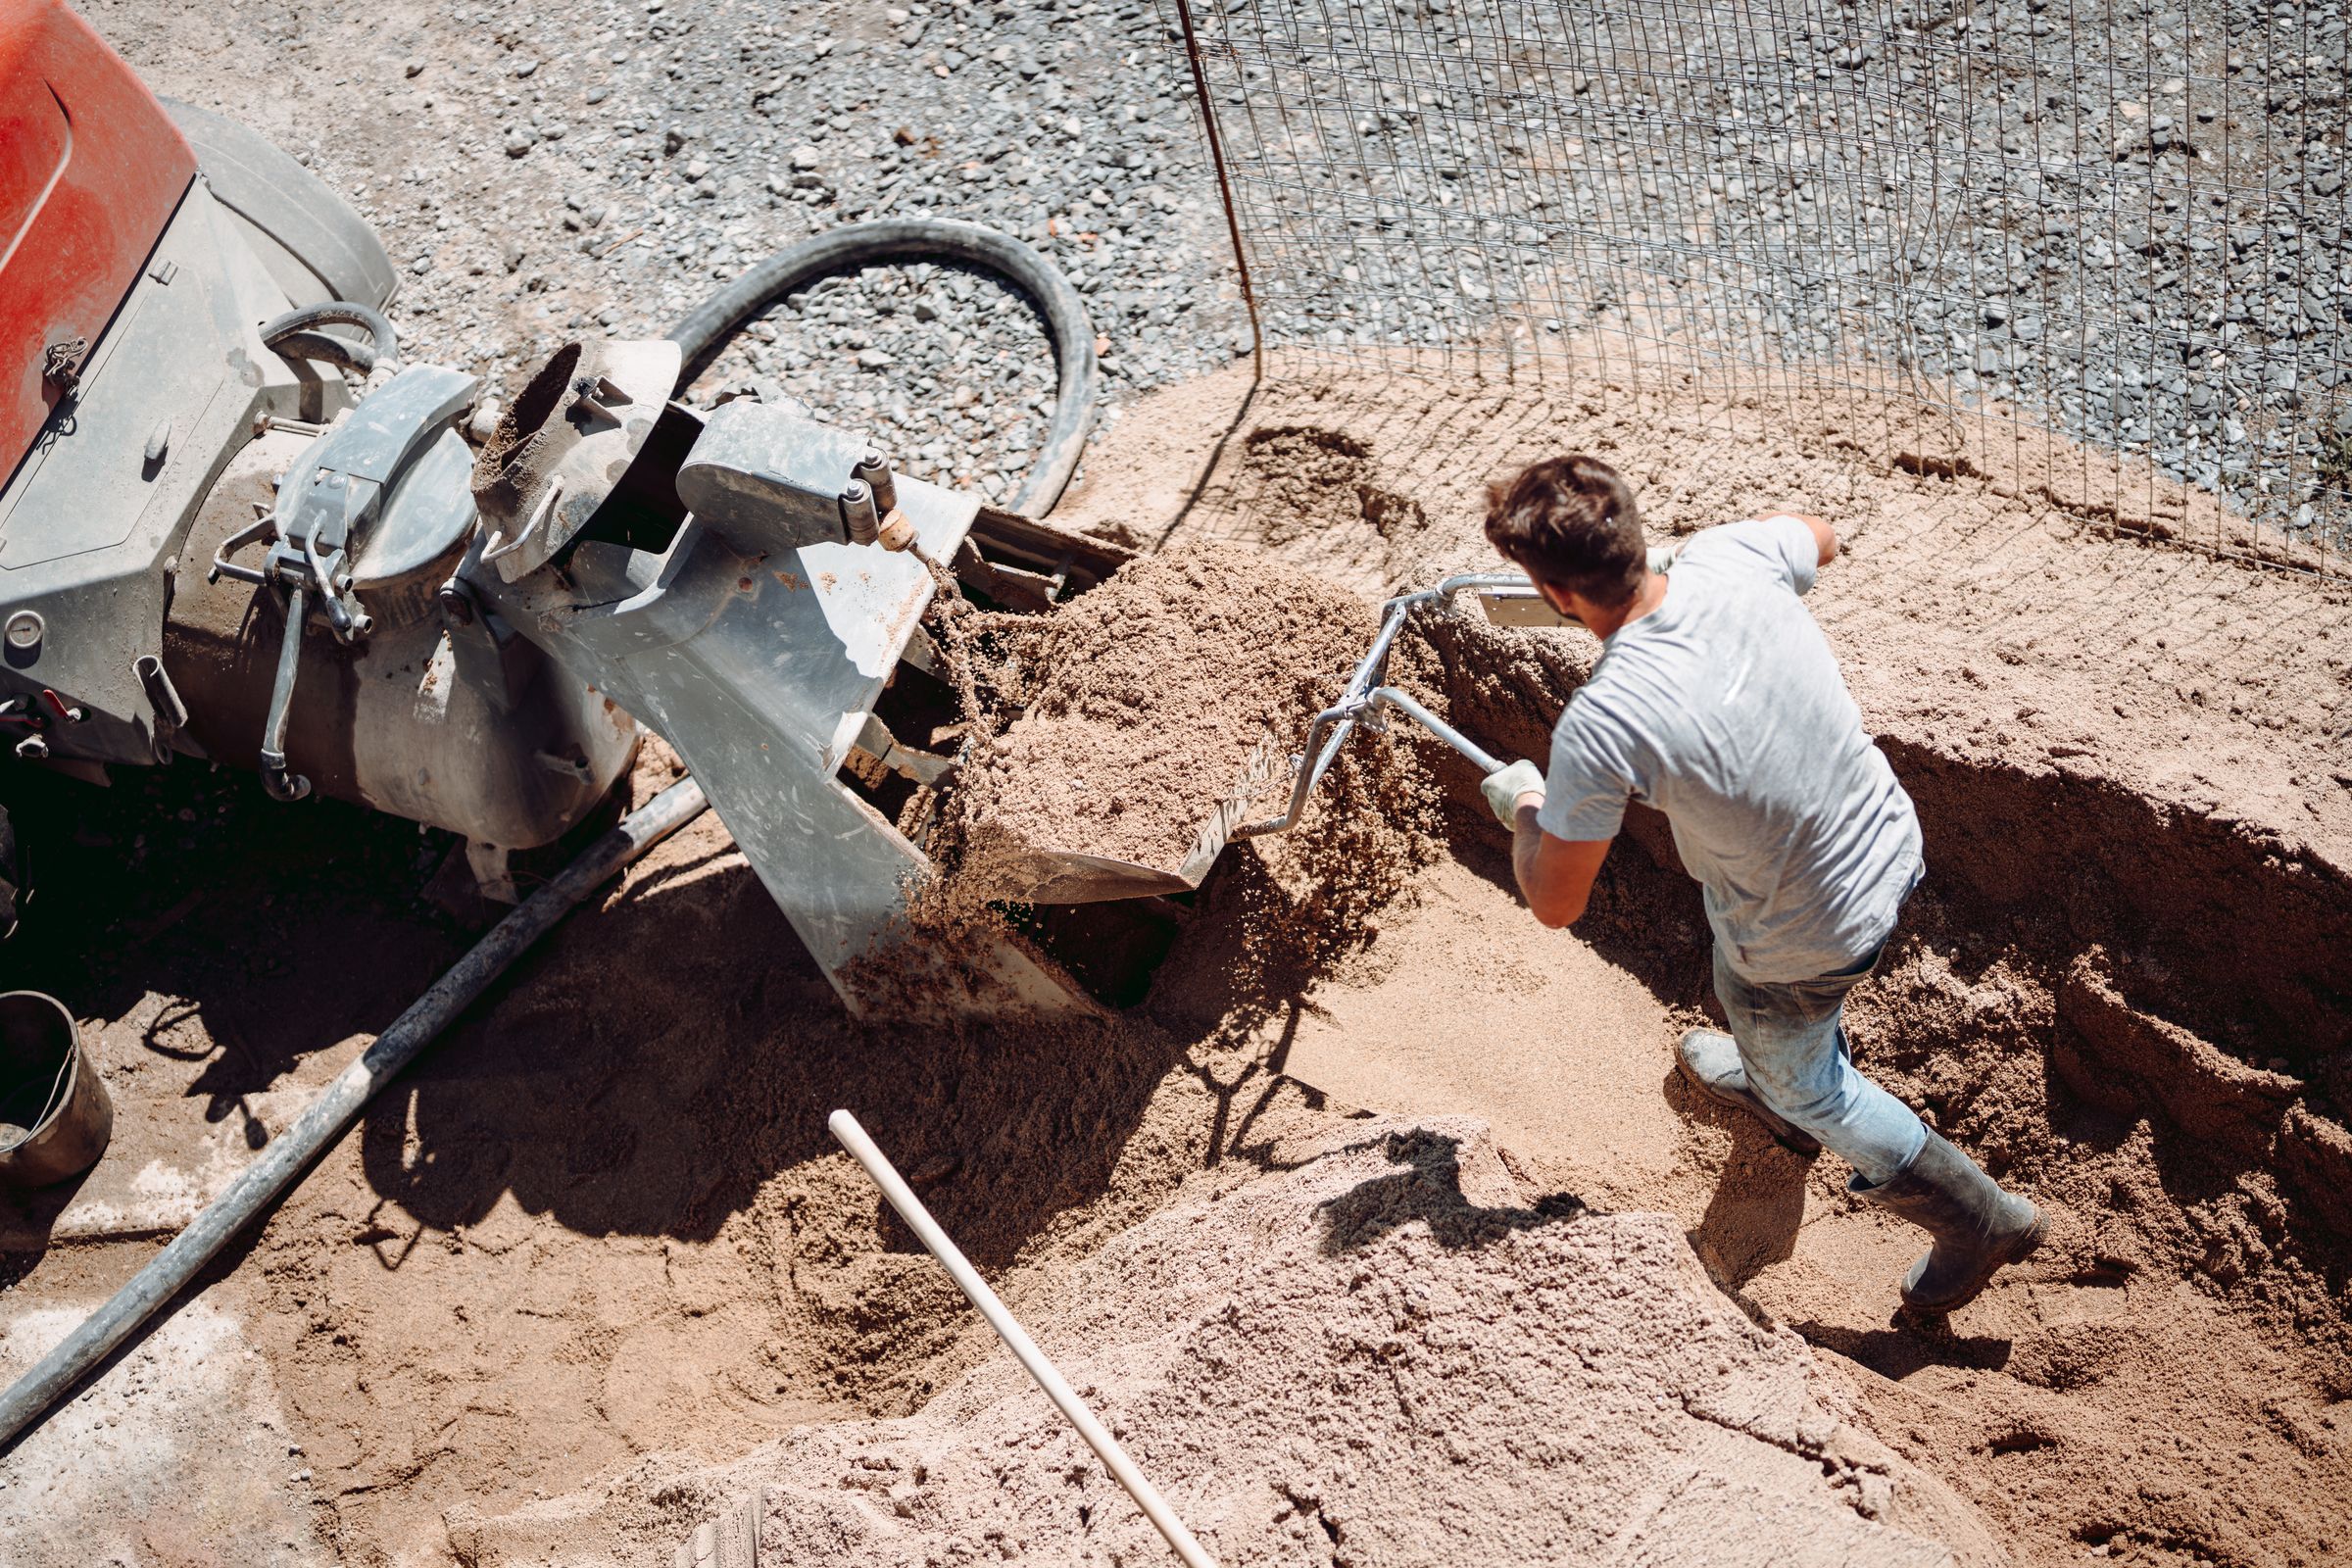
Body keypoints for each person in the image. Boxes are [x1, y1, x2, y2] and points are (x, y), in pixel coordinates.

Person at [1474, 454, 2043, 1315]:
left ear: (1555, 595)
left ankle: (1977, 1217)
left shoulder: (1607, 720)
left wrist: (1525, 805)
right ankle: (1775, 1067)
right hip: (1887, 844)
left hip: (1799, 934)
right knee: (1765, 977)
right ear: (1631, 529)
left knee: (1802, 1069)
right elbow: (1824, 535)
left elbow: (1555, 903)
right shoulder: (1730, 556)